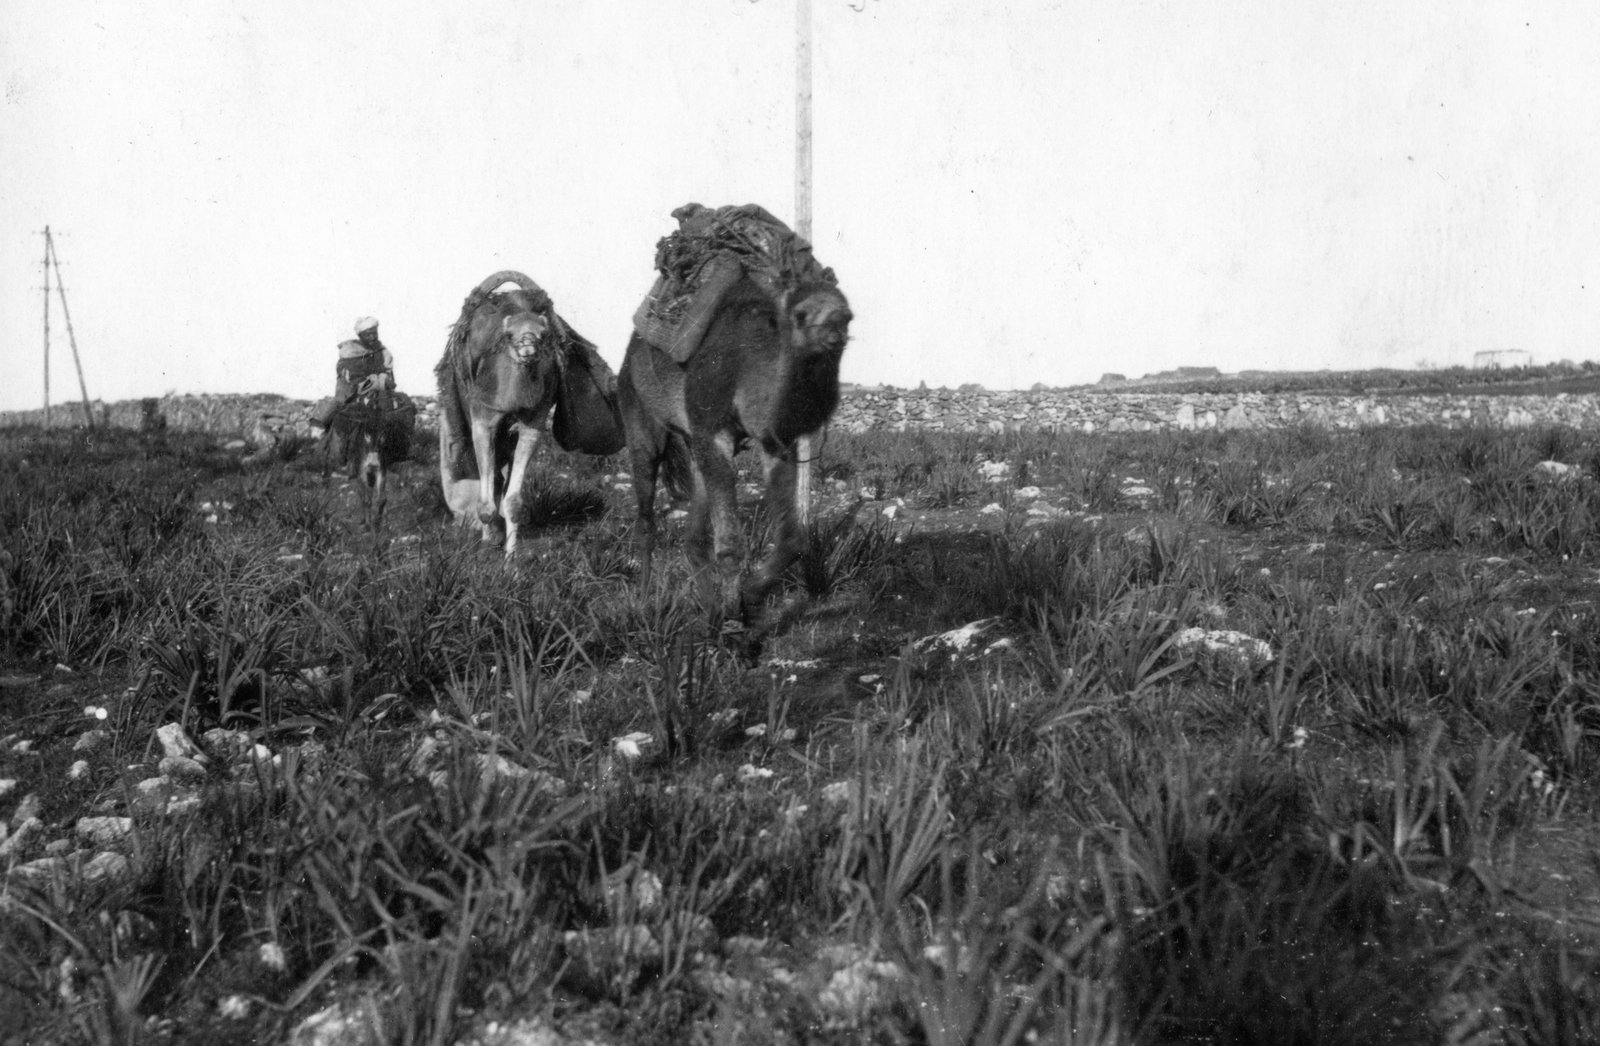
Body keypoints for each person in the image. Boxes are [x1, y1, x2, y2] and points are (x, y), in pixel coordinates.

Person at [312, 316, 394, 428]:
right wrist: (375, 381)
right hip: (353, 394)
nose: (372, 337)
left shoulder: (383, 352)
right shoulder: (350, 352)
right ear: (360, 336)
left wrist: (385, 380)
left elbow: (388, 372)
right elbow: (348, 379)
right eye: (368, 334)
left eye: (374, 333)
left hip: (379, 392)